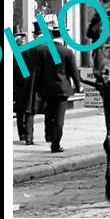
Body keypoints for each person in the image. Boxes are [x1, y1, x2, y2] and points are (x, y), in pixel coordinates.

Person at [31, 25, 83, 153]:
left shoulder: (43, 51)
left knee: (49, 113)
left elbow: (38, 71)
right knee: (59, 118)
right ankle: (55, 144)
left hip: (46, 88)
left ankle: (48, 136)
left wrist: (36, 88)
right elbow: (73, 72)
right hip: (62, 89)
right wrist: (78, 86)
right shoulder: (67, 52)